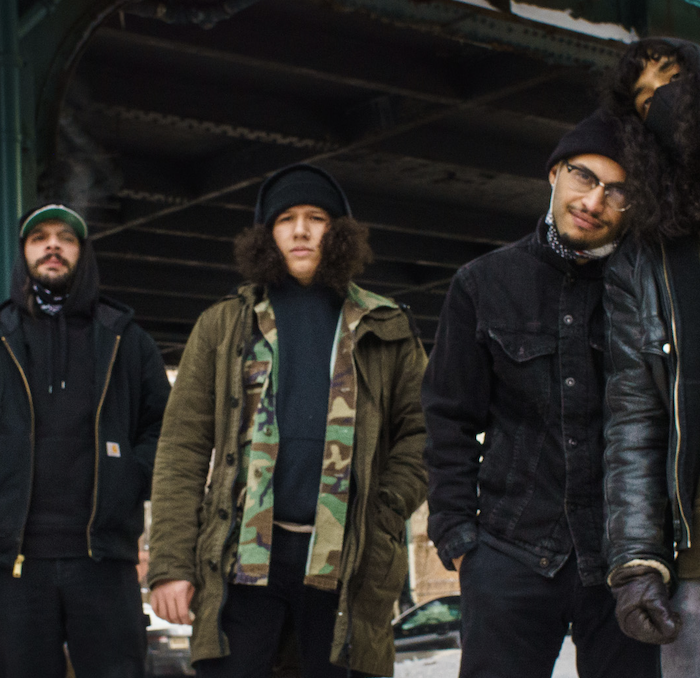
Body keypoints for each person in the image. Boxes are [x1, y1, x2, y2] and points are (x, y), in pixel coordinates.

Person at [147, 164, 427, 678]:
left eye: (316, 218)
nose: (300, 231)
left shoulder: (386, 326)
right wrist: (171, 564)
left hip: (346, 561)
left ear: (339, 232)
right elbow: (182, 448)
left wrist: (384, 510)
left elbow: (423, 433)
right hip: (242, 559)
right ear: (266, 236)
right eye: (285, 220)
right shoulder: (222, 325)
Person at [422, 112, 661, 678]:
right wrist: (459, 538)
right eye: (584, 177)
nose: (594, 201)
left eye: (618, 191)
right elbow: (448, 418)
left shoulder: (651, 291)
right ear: (555, 173)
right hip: (510, 554)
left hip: (625, 561)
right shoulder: (482, 283)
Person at [0, 204, 171, 678]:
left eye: (66, 238)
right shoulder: (2, 336)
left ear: (83, 252)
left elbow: (166, 427)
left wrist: (131, 476)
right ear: (23, 253)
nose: (52, 246)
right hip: (13, 565)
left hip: (104, 558)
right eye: (40, 238)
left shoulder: (125, 339)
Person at [601, 37, 700, 677]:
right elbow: (634, 420)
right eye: (645, 100)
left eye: (675, 80)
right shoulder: (641, 259)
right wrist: (637, 564)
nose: (662, 102)